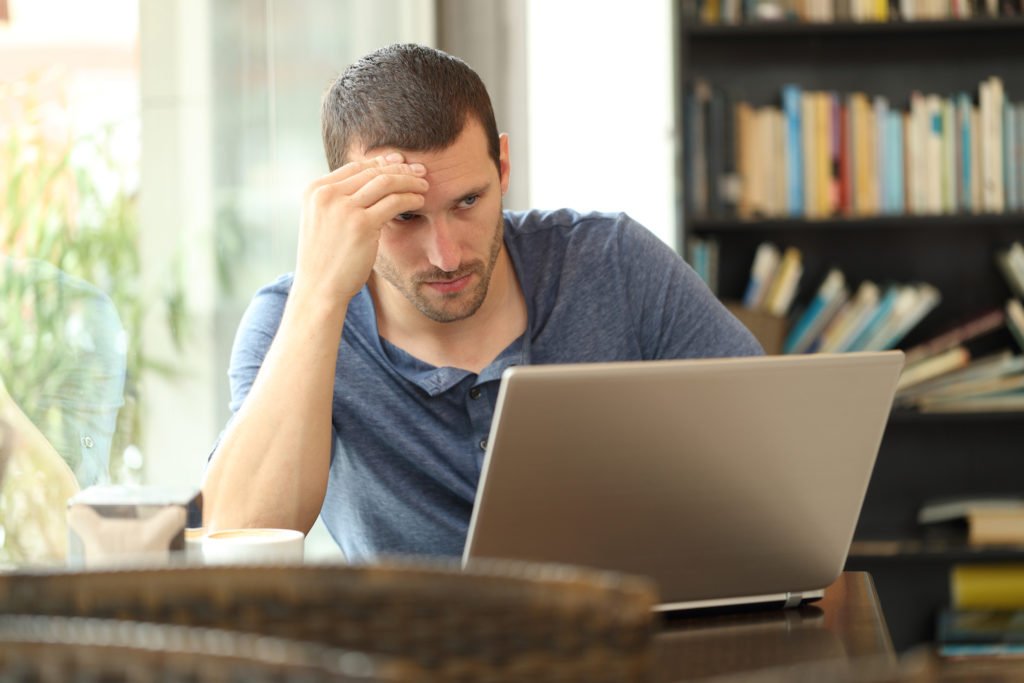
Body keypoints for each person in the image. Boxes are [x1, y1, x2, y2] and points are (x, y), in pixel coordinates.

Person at [202, 43, 762, 561]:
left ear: (503, 166)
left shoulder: (612, 261)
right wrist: (318, 297)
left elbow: (771, 455)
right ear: (346, 206)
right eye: (404, 216)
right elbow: (237, 536)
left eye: (469, 201)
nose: (446, 255)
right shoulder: (291, 319)